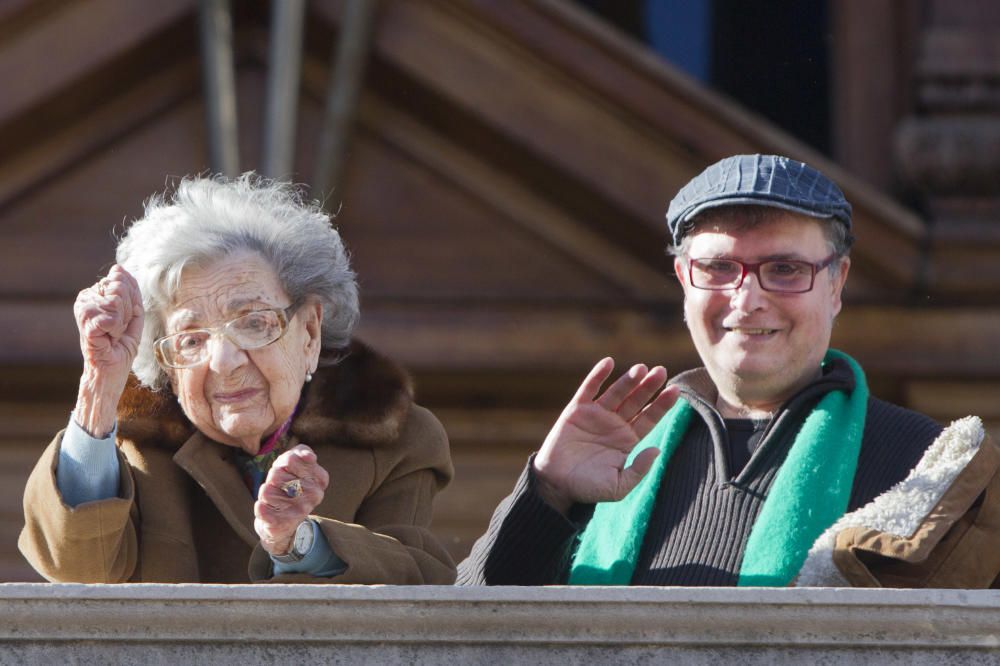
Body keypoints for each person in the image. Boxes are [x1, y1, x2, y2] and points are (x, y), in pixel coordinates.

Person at [458, 154, 1000, 588]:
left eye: (785, 269)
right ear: (682, 279)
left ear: (837, 285)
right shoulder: (616, 449)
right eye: (718, 268)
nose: (747, 299)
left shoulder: (925, 465)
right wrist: (547, 492)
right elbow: (466, 635)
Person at [20, 174, 455, 584]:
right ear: (167, 366)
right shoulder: (130, 448)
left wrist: (299, 543)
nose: (224, 361)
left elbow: (416, 578)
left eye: (253, 322)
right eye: (190, 340)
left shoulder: (393, 436)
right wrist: (98, 392)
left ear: (309, 332)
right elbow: (77, 571)